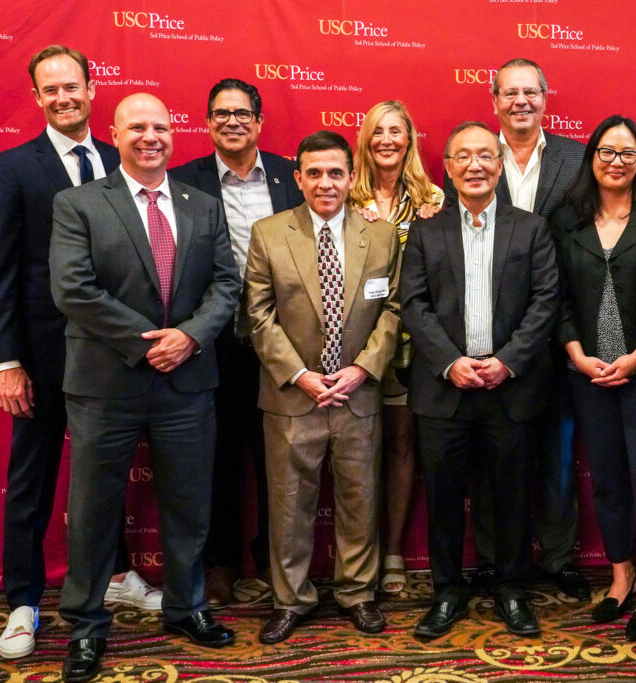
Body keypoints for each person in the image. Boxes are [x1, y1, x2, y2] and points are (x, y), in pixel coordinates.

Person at [0, 45, 162, 661]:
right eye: (50, 90)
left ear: (92, 88)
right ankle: (23, 602)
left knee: (103, 477)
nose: (63, 98)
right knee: (33, 481)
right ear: (37, 98)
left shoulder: (121, 159)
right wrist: (7, 363)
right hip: (43, 359)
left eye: (72, 87)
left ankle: (114, 577)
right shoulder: (12, 168)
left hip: (116, 358)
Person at [50, 93, 241, 682]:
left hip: (187, 383)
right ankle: (86, 626)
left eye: (160, 127)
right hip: (106, 384)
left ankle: (187, 608)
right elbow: (74, 290)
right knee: (93, 511)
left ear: (174, 134)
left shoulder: (203, 206)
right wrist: (147, 342)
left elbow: (226, 285)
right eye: (138, 127)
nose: (150, 136)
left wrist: (187, 337)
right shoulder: (78, 202)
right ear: (114, 133)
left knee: (189, 505)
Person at [402, 121, 559, 639]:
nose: (475, 165)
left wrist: (507, 360)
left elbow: (544, 304)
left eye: (485, 156)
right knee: (444, 502)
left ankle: (512, 590)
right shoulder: (426, 230)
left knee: (512, 497)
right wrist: (451, 361)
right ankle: (447, 594)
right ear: (446, 168)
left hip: (509, 387)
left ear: (499, 165)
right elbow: (415, 305)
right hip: (444, 389)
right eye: (463, 157)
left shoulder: (531, 228)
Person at [245, 131, 400, 643]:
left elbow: (394, 310)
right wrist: (301, 375)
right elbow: (259, 315)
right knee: (289, 506)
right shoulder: (269, 233)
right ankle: (290, 599)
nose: (325, 183)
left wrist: (360, 370)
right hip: (293, 396)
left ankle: (357, 592)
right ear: (298, 178)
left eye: (336, 172)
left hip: (358, 394)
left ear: (351, 177)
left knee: (361, 500)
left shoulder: (379, 237)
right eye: (314, 172)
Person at [550, 115, 636, 639]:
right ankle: (621, 572)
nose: (616, 162)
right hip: (587, 372)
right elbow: (557, 296)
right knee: (606, 479)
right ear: (592, 157)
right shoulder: (569, 218)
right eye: (607, 152)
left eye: (627, 154)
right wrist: (579, 356)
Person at [169, 78, 302, 608]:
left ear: (259, 122)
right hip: (213, 345)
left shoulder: (292, 178)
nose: (232, 122)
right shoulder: (183, 182)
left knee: (282, 459)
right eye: (221, 113)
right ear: (206, 123)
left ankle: (276, 559)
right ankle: (220, 562)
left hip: (286, 345)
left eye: (242, 114)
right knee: (217, 458)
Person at [462, 56, 589, 600]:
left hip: (558, 331)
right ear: (494, 101)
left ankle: (558, 557)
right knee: (493, 459)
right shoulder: (473, 156)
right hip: (487, 339)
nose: (521, 101)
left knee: (558, 456)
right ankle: (492, 558)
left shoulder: (576, 158)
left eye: (531, 92)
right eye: (510, 93)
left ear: (545, 97)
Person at [348, 100, 443, 594]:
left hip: (411, 347)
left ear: (410, 139)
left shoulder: (433, 199)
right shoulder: (344, 193)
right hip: (355, 347)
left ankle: (394, 555)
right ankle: (358, 557)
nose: (386, 139)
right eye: (377, 131)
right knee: (359, 452)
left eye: (396, 131)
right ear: (366, 139)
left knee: (403, 448)